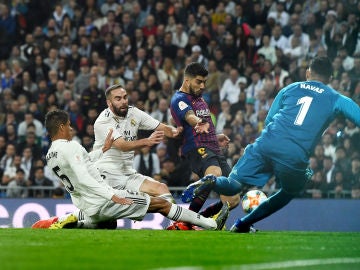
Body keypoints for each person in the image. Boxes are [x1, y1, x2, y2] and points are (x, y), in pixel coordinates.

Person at [181, 56, 360, 233]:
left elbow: (268, 120)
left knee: (233, 184)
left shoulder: (290, 88)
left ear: (308, 73)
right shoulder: (337, 99)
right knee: (290, 190)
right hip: (294, 154)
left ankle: (211, 181)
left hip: (265, 143)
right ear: (330, 78)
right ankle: (242, 224)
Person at [32, 110, 229, 230]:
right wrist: (112, 195)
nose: (71, 129)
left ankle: (67, 220)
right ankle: (211, 224)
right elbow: (84, 177)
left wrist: (103, 150)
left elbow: (83, 165)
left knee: (108, 224)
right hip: (104, 199)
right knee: (160, 204)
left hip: (87, 205)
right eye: (68, 125)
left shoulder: (51, 155)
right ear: (60, 126)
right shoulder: (71, 146)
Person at [169, 62, 240, 230]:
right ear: (187, 81)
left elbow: (205, 127)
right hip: (196, 148)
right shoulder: (179, 99)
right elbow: (190, 116)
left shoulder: (199, 99)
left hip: (213, 149)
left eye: (204, 82)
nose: (202, 85)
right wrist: (198, 121)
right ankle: (185, 221)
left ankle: (193, 221)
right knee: (213, 174)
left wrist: (216, 138)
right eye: (198, 81)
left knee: (233, 198)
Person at [93, 84, 183, 204]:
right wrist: (147, 141)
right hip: (106, 174)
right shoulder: (103, 121)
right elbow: (122, 146)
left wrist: (177, 131)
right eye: (118, 99)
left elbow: (161, 127)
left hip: (127, 173)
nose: (124, 101)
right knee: (107, 221)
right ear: (109, 103)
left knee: (162, 189)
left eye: (125, 97)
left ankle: (178, 221)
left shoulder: (134, 113)